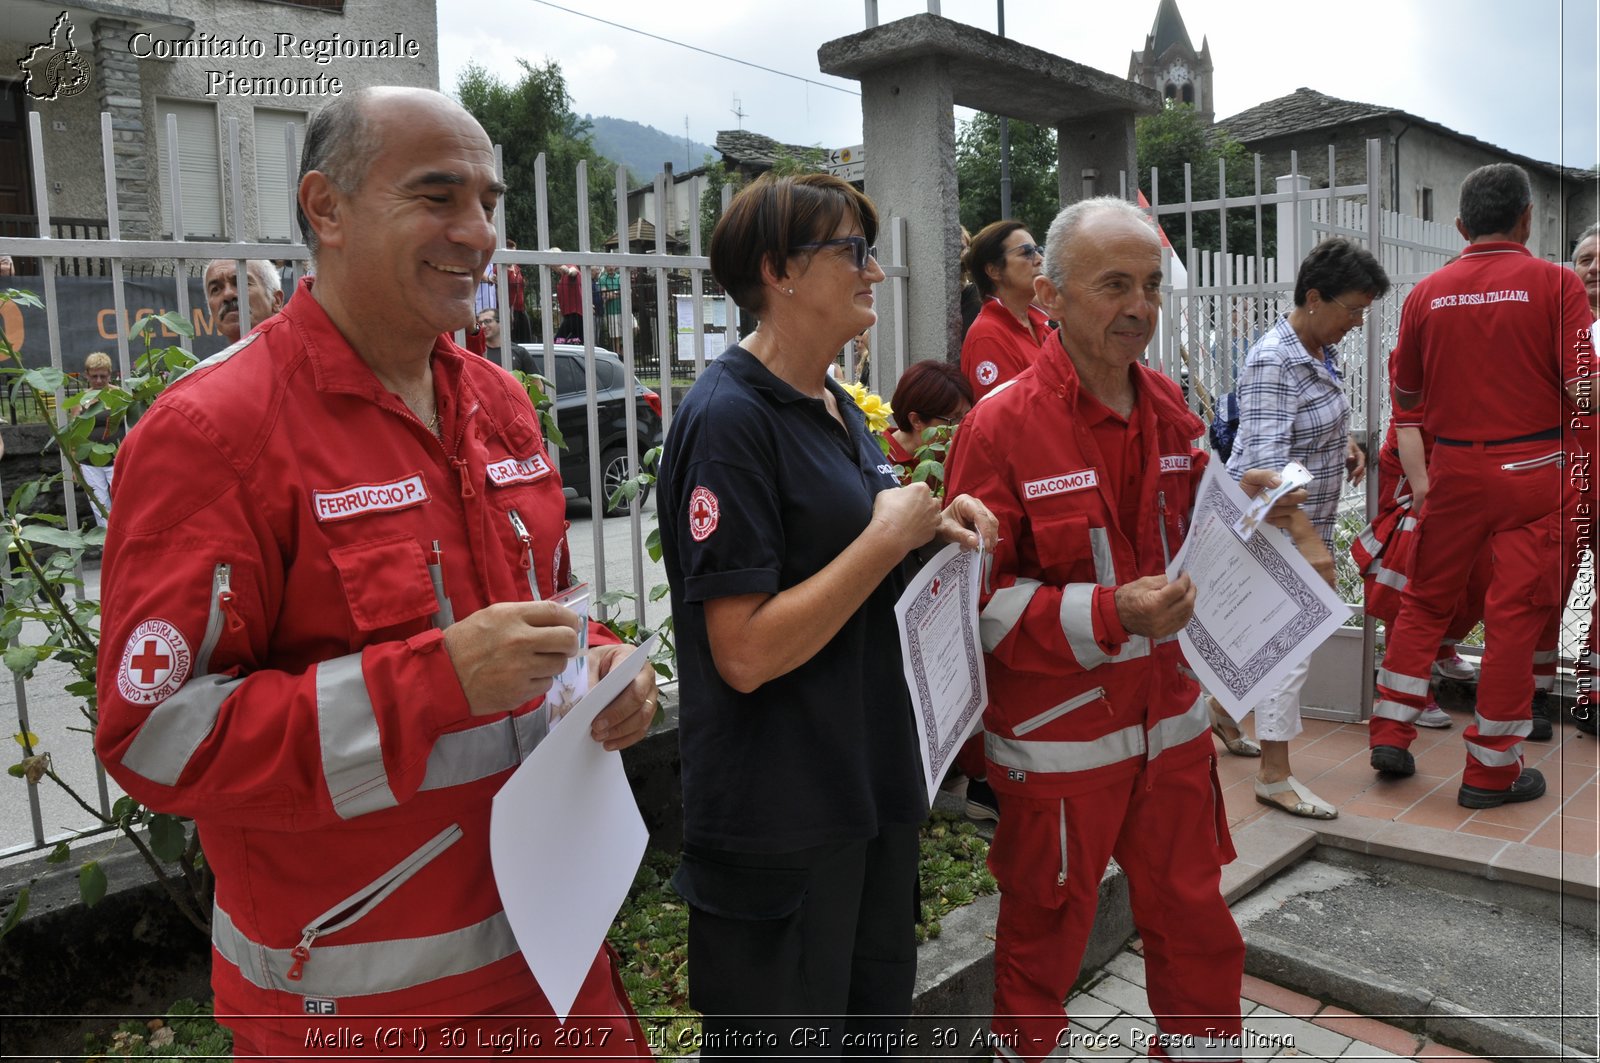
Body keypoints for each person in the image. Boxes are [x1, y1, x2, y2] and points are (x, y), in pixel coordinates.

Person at [94, 86, 657, 1056]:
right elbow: (154, 735)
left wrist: (605, 666)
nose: (477, 232)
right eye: (438, 196)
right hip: (355, 1013)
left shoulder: (498, 405)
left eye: (488, 201)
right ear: (327, 209)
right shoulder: (213, 434)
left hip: (557, 961)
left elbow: (550, 614)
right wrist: (432, 682)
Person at [944, 196, 1308, 1062]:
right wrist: (1113, 614)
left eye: (1150, 286)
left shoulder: (1173, 408)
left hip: (1172, 731)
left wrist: (1245, 501)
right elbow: (975, 607)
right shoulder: (998, 429)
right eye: (1115, 285)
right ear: (1052, 294)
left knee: (1195, 919)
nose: (1139, 306)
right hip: (1059, 744)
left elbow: (1189, 541)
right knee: (1043, 937)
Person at [657, 172, 996, 1056]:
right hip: (782, 824)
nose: (875, 273)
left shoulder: (835, 406)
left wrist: (929, 529)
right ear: (779, 271)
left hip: (863, 795)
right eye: (852, 251)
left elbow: (854, 548)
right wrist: (885, 542)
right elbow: (743, 650)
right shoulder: (730, 419)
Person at [1369, 163, 1593, 808]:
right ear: (1528, 219)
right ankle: (1492, 771)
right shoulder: (1555, 284)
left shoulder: (1426, 294)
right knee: (1514, 615)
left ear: (1462, 226)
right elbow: (1583, 390)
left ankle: (1392, 733)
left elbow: (1407, 396)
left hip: (1453, 471)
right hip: (1534, 472)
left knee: (1426, 601)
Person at [1224, 238, 1391, 818]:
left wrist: (1337, 441)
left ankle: (1220, 712)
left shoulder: (1316, 348)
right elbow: (1260, 473)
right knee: (1285, 647)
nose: (1356, 321)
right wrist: (1311, 544)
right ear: (1314, 298)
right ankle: (1274, 774)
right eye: (1352, 309)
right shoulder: (1276, 359)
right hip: (1277, 527)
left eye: (1364, 312)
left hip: (1300, 520)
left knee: (1258, 636)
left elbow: (1302, 419)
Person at [1351, 351, 1491, 730]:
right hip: (1414, 471)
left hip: (1462, 466)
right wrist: (1421, 490)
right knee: (1407, 577)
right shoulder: (1420, 344)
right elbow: (1409, 422)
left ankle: (1442, 644)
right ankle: (1413, 694)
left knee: (1477, 573)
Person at [959, 220, 1055, 401]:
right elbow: (1005, 418)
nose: (1040, 259)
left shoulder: (1040, 325)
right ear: (994, 270)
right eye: (1027, 252)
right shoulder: (987, 335)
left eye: (1039, 250)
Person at [70, 351, 122, 527]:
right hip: (89, 460)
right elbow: (74, 432)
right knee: (99, 503)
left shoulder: (119, 395)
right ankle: (106, 543)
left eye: (103, 376)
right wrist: (74, 463)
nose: (99, 380)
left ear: (110, 374)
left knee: (122, 498)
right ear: (86, 375)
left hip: (117, 457)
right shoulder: (81, 400)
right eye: (94, 376)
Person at [203, 259, 283, 344]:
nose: (227, 294)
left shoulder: (296, 353)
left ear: (276, 300)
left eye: (242, 283)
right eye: (215, 289)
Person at [554, 254, 583, 342]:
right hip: (570, 314)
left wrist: (568, 271)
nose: (553, 269)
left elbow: (574, 271)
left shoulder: (569, 266)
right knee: (576, 341)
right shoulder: (562, 276)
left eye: (552, 266)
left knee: (558, 341)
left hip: (574, 314)